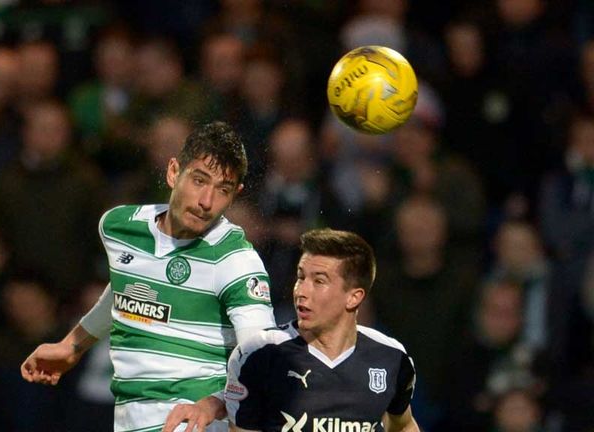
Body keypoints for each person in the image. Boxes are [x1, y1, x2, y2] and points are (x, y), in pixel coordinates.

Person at [21, 121, 276, 432]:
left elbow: (263, 362)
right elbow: (125, 288)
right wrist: (72, 346)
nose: (206, 201)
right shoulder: (120, 228)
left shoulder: (236, 260)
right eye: (199, 180)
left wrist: (214, 403)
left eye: (222, 190)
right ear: (173, 172)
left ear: (235, 195)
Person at [164, 228, 420, 432]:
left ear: (353, 298)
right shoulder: (259, 355)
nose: (301, 291)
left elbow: (404, 425)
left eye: (319, 281)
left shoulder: (391, 358)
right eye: (300, 277)